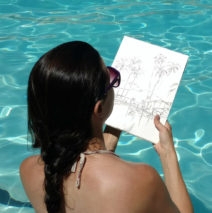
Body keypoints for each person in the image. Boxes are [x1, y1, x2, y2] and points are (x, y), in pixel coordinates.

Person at [20, 41, 193, 213]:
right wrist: (167, 152)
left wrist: (109, 130)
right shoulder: (140, 181)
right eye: (110, 77)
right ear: (99, 108)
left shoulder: (29, 170)